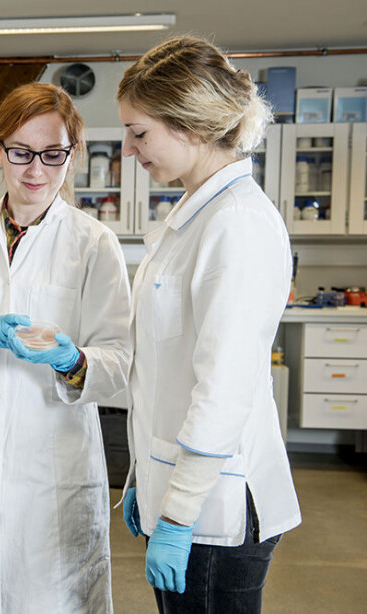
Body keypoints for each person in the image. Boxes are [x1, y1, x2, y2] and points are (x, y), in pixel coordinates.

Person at [117, 36, 302, 613]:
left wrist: (175, 514)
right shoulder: (193, 216)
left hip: (211, 511)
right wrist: (139, 480)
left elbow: (224, 387)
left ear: (191, 126)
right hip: (182, 492)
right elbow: (165, 371)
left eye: (140, 132)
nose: (128, 149)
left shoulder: (238, 224)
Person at [0, 82, 131, 613]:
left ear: (72, 155)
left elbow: (120, 355)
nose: (35, 171)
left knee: (50, 596)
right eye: (20, 153)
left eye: (52, 155)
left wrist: (73, 361)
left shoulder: (94, 243)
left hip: (53, 463)